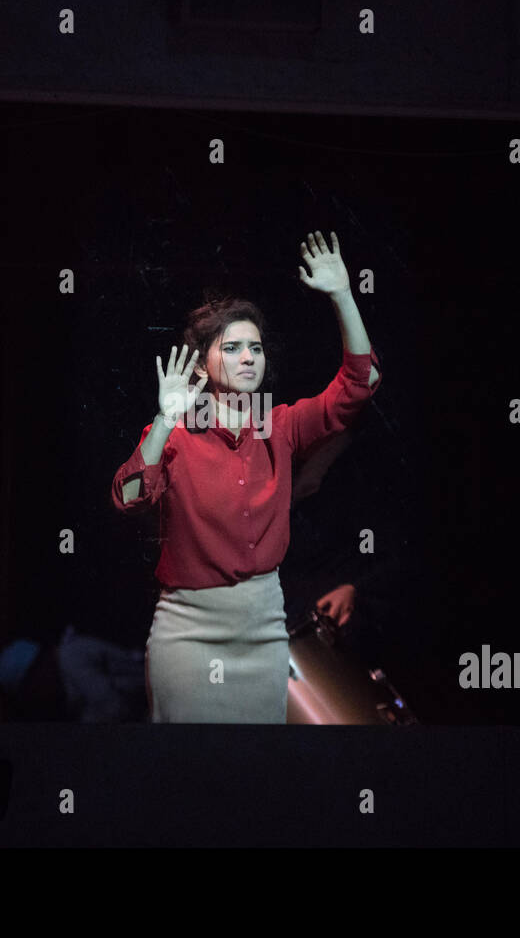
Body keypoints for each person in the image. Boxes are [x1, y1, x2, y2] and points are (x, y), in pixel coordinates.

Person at [110, 230, 382, 723]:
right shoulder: (177, 433)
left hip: (263, 631)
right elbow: (128, 498)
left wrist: (343, 295)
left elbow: (360, 387)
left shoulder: (278, 424)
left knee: (258, 780)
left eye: (254, 348)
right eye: (231, 347)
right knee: (188, 778)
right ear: (203, 361)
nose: (247, 358)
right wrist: (166, 420)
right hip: (188, 635)